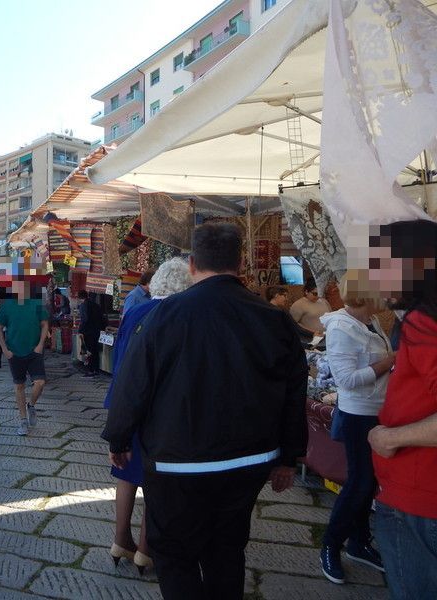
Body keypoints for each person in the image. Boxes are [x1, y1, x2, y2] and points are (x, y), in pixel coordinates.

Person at [103, 223, 308, 600]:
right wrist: (289, 457)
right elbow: (295, 390)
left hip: (178, 461)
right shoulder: (273, 318)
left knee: (174, 553)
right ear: (240, 262)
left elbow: (133, 384)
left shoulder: (163, 315)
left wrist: (119, 438)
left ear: (193, 264)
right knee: (227, 549)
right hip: (249, 460)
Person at [104, 257, 192, 575]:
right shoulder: (178, 316)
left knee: (126, 472)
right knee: (156, 477)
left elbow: (120, 357)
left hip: (125, 401)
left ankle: (120, 540)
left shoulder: (135, 312)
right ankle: (145, 547)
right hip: (158, 408)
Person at [365, 219, 437, 600]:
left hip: (419, 496)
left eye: (382, 266)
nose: (375, 279)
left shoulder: (425, 321)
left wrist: (390, 437)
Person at [318, 299, 394, 584]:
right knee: (359, 483)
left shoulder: (371, 322)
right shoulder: (341, 327)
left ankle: (359, 542)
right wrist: (390, 361)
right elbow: (347, 380)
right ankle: (330, 544)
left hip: (377, 411)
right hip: (357, 415)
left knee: (368, 482)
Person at [0, 279, 50, 436]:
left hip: (34, 350)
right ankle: (23, 420)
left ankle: (31, 405)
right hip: (14, 351)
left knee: (40, 383)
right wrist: (5, 350)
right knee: (19, 385)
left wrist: (40, 345)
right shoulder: (7, 306)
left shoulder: (36, 304)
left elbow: (45, 324)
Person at [78, 290, 105, 377]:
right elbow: (102, 318)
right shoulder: (96, 305)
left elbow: (84, 319)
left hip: (88, 332)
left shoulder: (83, 305)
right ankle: (96, 370)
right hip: (97, 331)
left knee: (89, 351)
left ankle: (90, 370)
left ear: (80, 298)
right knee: (95, 351)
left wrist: (80, 330)